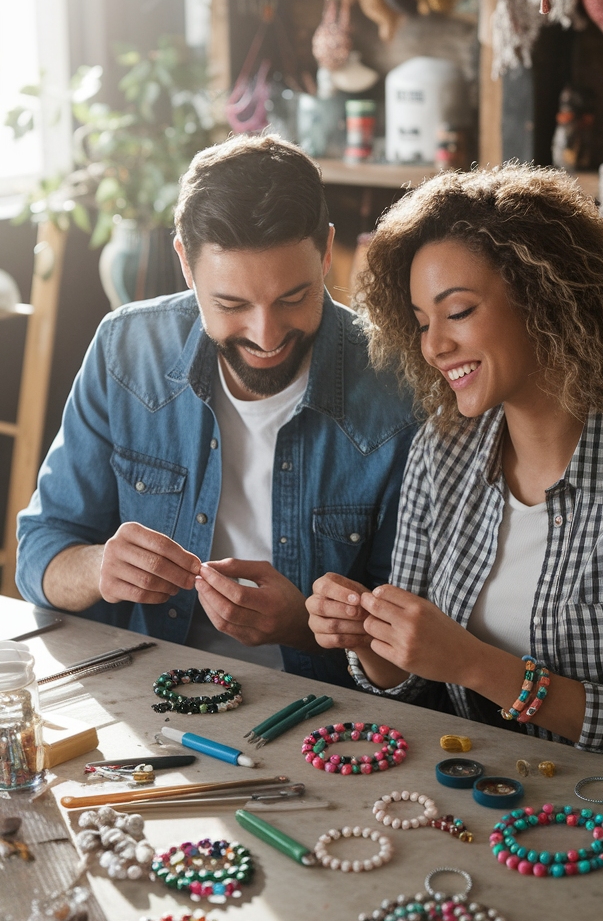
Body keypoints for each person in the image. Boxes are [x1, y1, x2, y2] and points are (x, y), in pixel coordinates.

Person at [307, 164, 603, 782]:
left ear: (545, 299)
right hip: (487, 797)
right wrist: (371, 641)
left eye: (458, 312)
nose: (433, 346)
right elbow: (415, 688)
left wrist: (476, 665)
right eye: (423, 323)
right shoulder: (441, 449)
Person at [16, 135, 417, 686]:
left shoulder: (398, 389)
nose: (266, 335)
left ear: (326, 251)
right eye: (231, 304)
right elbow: (38, 554)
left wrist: (302, 626)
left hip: (320, 705)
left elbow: (414, 660)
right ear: (185, 262)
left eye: (293, 298)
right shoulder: (126, 350)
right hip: (144, 686)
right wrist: (99, 568)